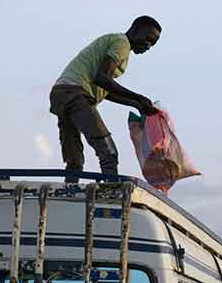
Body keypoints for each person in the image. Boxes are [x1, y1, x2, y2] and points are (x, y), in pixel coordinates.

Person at [50, 17, 162, 178]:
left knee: (74, 157)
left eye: (153, 44)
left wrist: (135, 103)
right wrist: (139, 97)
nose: (148, 45)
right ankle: (110, 192)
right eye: (148, 39)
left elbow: (104, 88)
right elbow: (102, 78)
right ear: (135, 29)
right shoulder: (122, 43)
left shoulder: (116, 43)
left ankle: (69, 190)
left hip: (61, 93)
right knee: (108, 151)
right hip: (75, 94)